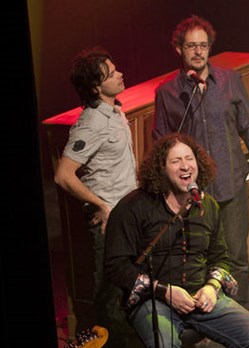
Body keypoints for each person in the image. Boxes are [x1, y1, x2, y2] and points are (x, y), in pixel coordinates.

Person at [104, 132, 249, 348]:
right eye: (176, 161)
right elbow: (115, 266)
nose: (185, 166)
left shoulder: (208, 206)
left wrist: (211, 287)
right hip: (154, 300)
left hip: (200, 297)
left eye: (189, 159)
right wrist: (165, 291)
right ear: (161, 169)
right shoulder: (134, 207)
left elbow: (220, 257)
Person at [153, 15, 249, 305]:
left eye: (203, 45)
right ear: (179, 49)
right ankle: (208, 320)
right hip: (192, 193)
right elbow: (161, 144)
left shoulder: (230, 81)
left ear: (210, 48)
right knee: (200, 261)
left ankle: (240, 316)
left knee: (236, 257)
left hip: (230, 186)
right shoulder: (168, 93)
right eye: (191, 45)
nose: (198, 51)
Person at [54, 47, 138, 347]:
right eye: (111, 73)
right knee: (110, 293)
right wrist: (101, 205)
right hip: (109, 221)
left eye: (116, 69)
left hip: (129, 217)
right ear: (95, 87)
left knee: (129, 290)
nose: (120, 74)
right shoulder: (90, 123)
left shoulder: (116, 111)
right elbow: (63, 174)